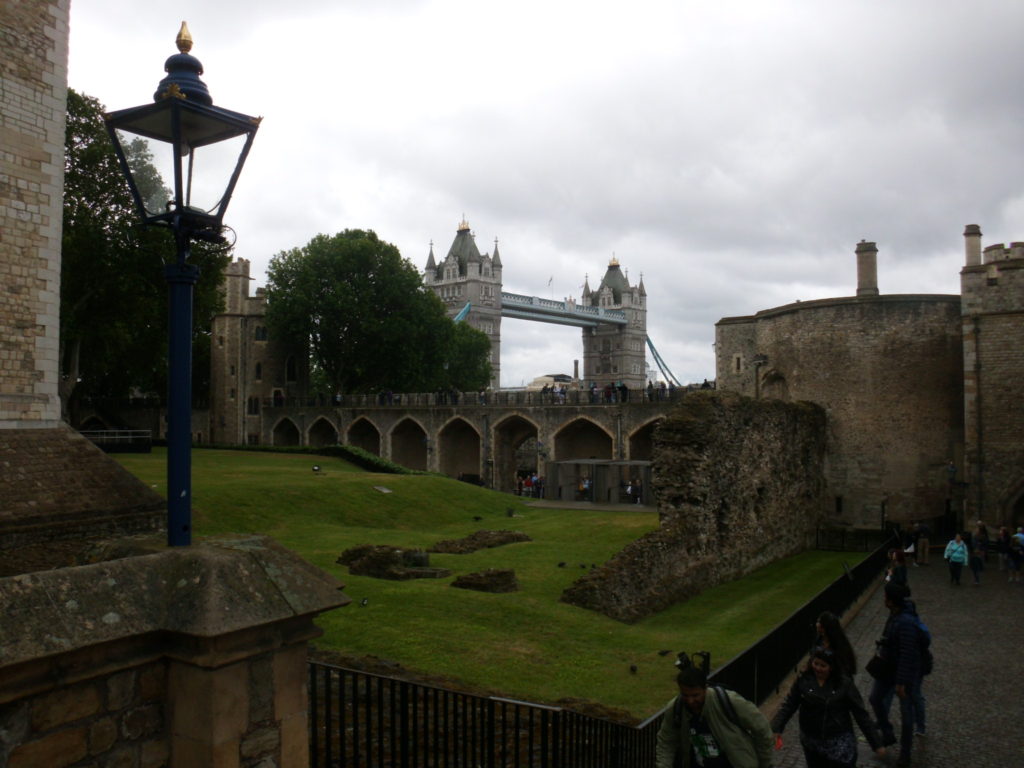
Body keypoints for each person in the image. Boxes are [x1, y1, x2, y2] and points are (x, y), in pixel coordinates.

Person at [771, 647, 885, 767]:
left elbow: (861, 714)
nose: (818, 668)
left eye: (823, 665)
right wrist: (777, 727)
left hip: (838, 740)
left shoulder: (844, 684)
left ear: (831, 667)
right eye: (816, 663)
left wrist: (876, 743)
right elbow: (790, 704)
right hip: (812, 741)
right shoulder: (803, 680)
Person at [656, 663, 774, 768]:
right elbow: (666, 742)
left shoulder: (730, 701)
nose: (690, 701)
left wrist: (765, 763)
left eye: (695, 695)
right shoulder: (675, 708)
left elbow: (762, 729)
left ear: (705, 688)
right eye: (685, 695)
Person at [867, 582, 922, 768]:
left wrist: (901, 683)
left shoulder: (905, 621)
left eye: (885, 597)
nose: (883, 599)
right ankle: (887, 731)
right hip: (889, 668)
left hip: (905, 674)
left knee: (907, 714)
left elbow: (907, 653)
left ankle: (905, 754)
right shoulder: (895, 614)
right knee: (875, 698)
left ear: (891, 600)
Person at [815, 611, 857, 679]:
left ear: (824, 627)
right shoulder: (819, 641)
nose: (816, 624)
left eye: (818, 622)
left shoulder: (840, 648)